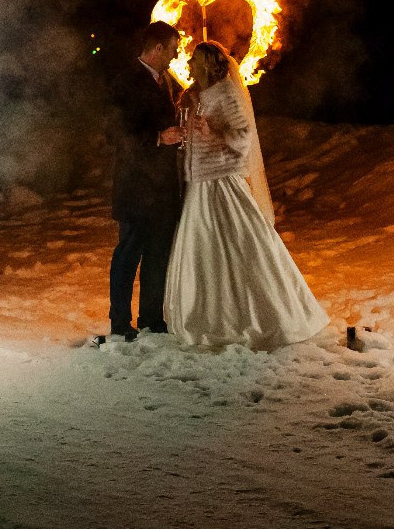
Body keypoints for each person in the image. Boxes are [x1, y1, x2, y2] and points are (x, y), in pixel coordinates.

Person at [165, 41, 329, 350]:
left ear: (209, 65)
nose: (188, 62)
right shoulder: (196, 95)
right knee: (204, 250)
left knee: (244, 244)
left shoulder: (227, 93)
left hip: (224, 182)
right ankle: (207, 315)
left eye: (195, 59)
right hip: (200, 183)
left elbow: (243, 138)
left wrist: (211, 131)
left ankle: (268, 316)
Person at [107, 21, 184, 341]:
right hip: (137, 187)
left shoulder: (164, 81)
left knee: (158, 255)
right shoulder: (127, 81)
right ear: (157, 49)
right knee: (128, 255)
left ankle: (152, 319)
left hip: (162, 190)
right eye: (172, 50)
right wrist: (158, 138)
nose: (175, 56)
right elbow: (117, 133)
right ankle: (121, 323)